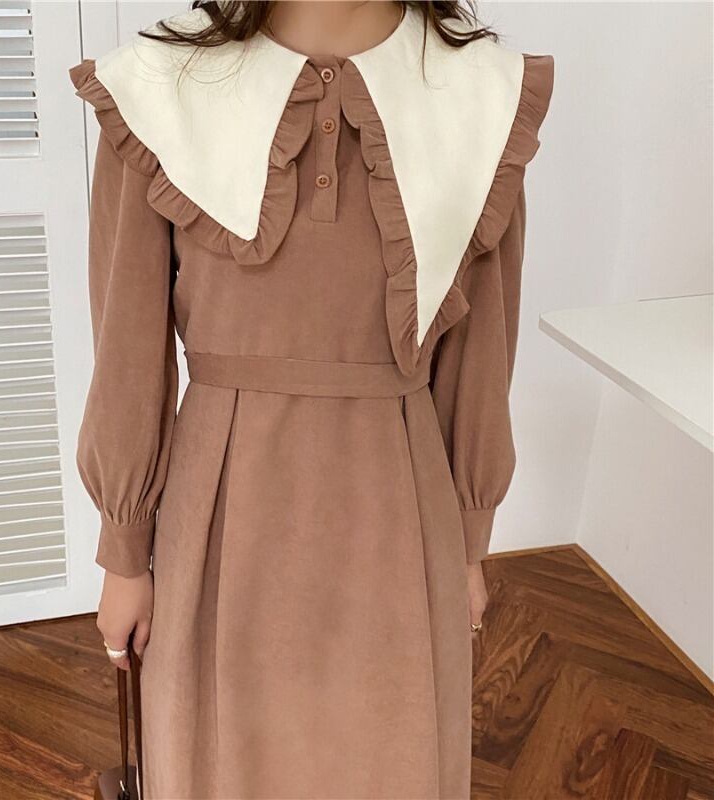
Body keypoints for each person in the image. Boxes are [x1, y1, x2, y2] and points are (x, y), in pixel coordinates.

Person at [69, 1, 553, 797]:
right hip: (220, 517)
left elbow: (481, 349)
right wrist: (125, 554)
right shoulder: (160, 85)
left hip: (400, 517)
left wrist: (469, 543)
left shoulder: (479, 93)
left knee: (387, 758)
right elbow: (127, 342)